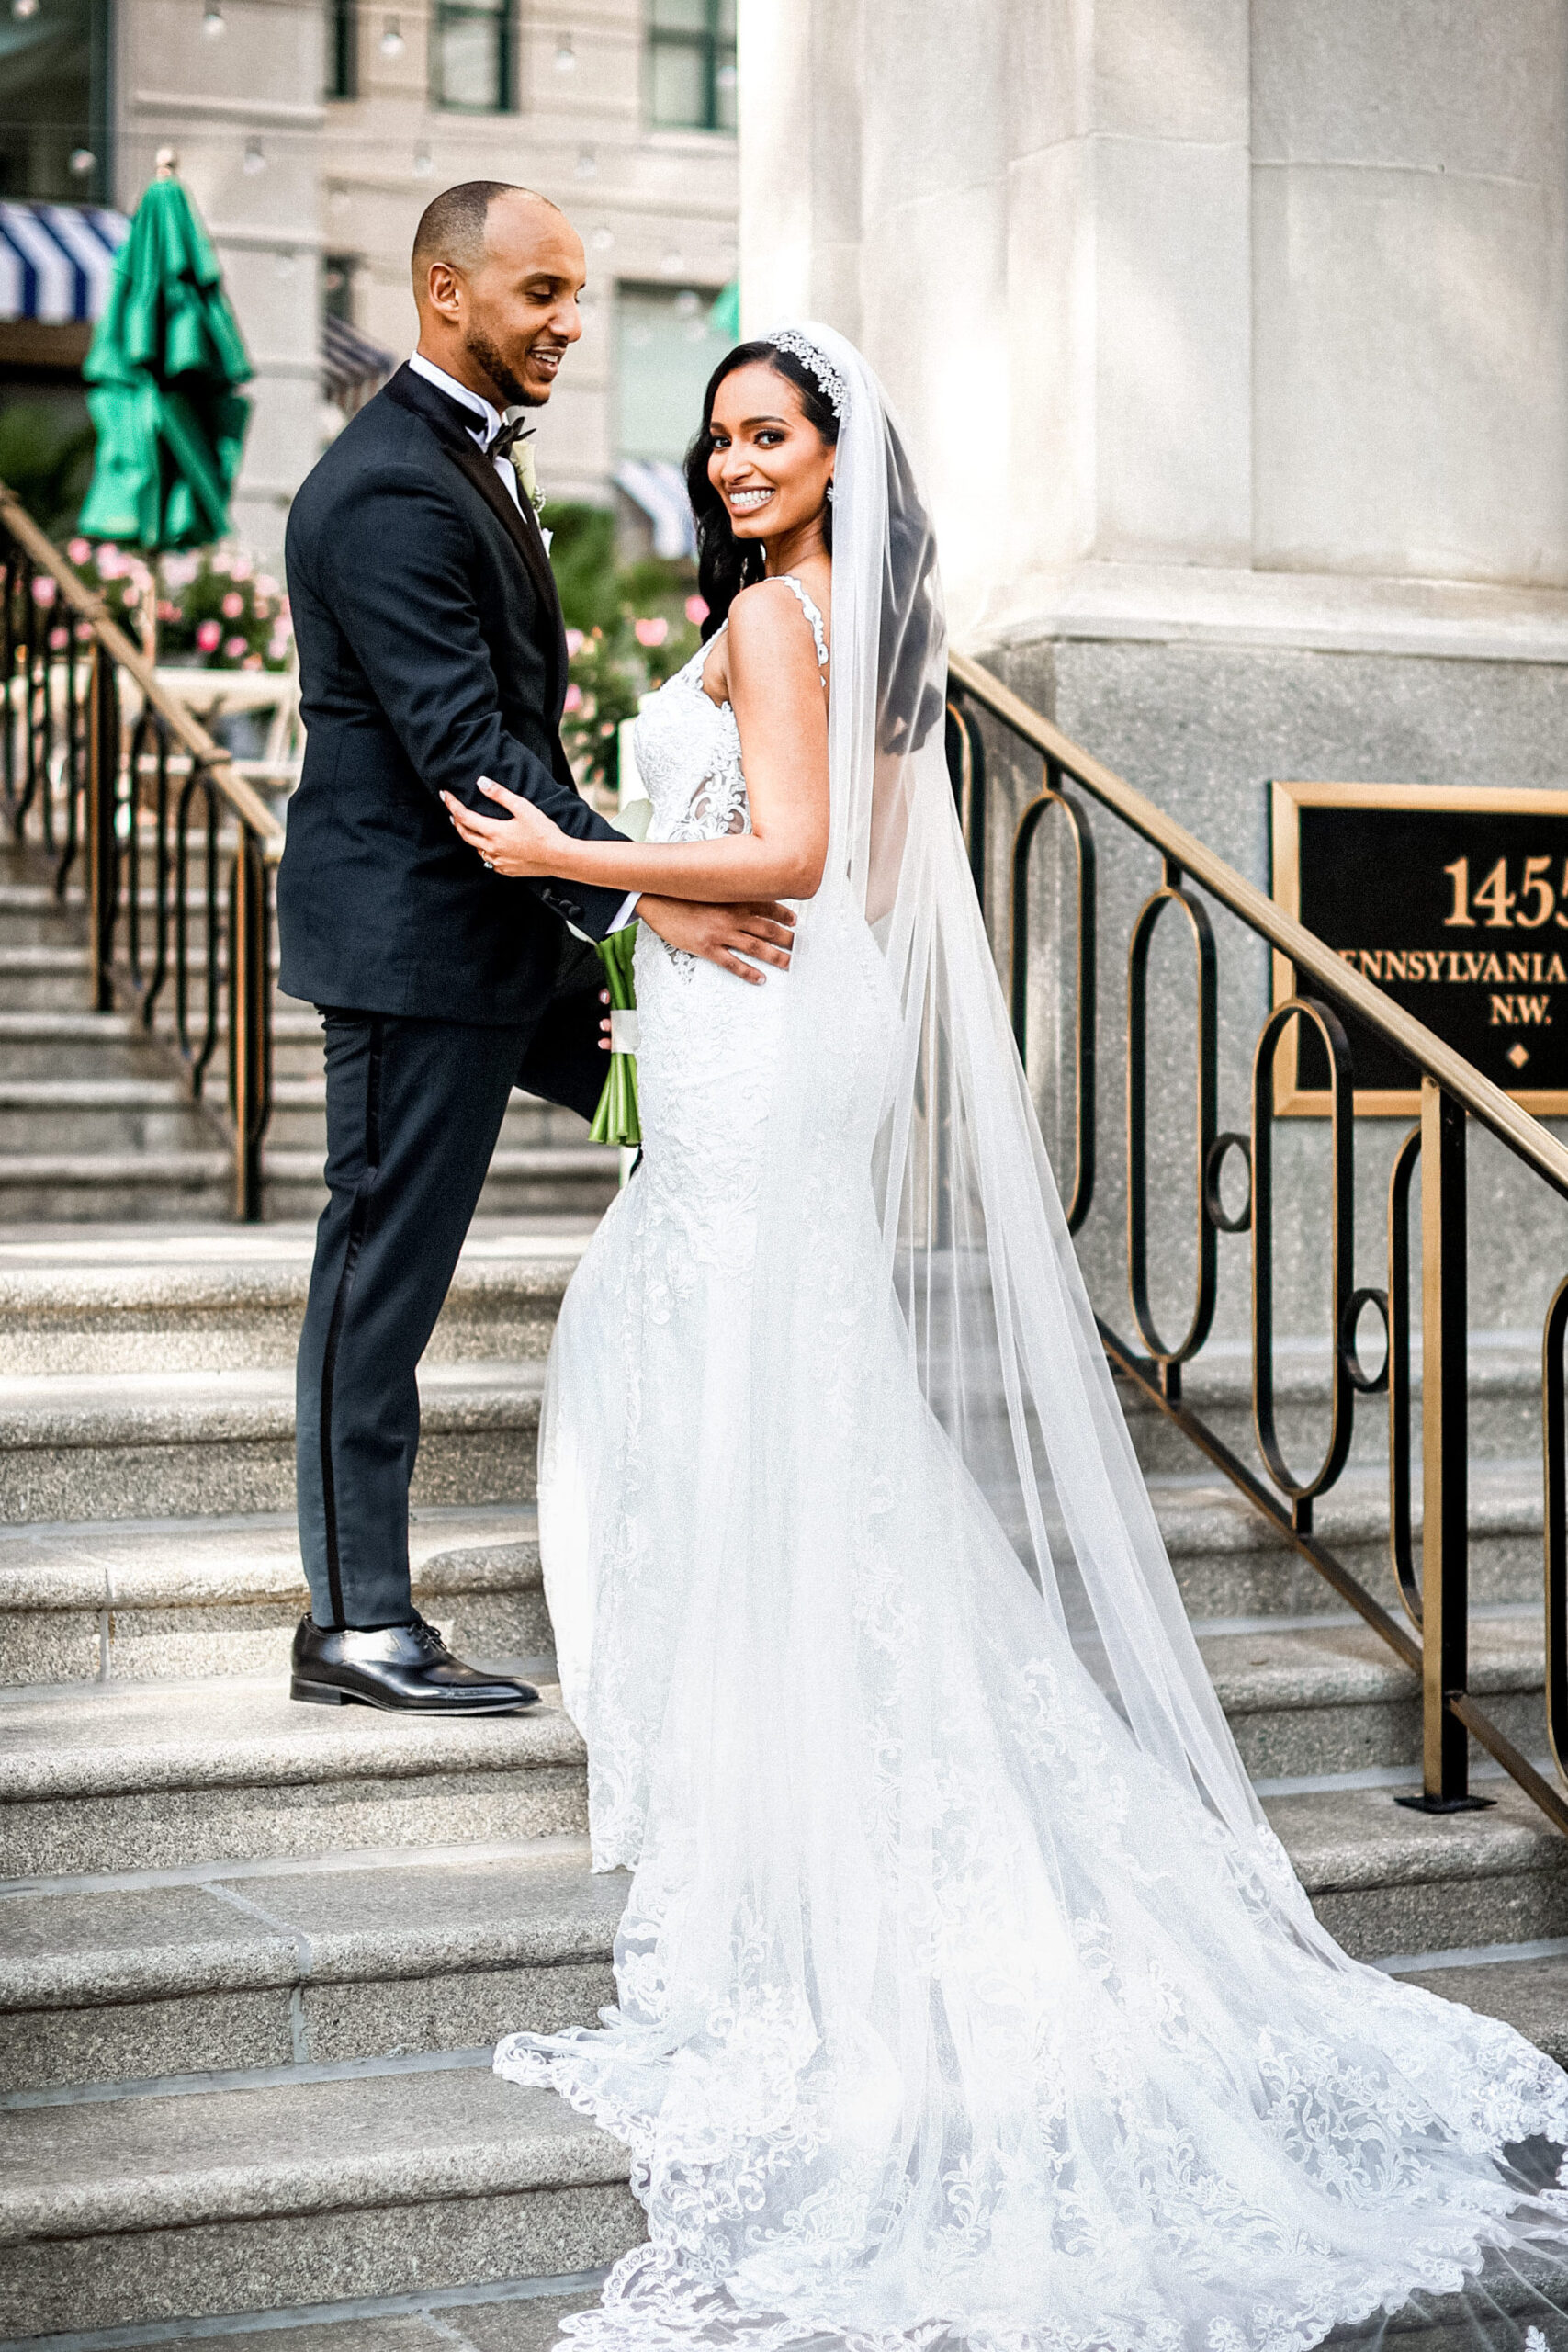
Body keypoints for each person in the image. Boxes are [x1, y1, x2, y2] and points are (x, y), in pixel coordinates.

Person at [448, 328, 1568, 2349]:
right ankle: (752, 1721)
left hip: (764, 1031)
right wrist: (687, 939)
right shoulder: (851, 626)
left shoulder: (788, 624)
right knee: (743, 1360)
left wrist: (584, 871)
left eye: (766, 434)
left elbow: (789, 863)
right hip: (782, 1024)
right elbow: (849, 876)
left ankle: (757, 1763)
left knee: (721, 1346)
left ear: (833, 456)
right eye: (715, 437)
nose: (729, 462)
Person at [277, 180, 795, 1713]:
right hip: (415, 950)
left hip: (521, 929)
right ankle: (354, 1621)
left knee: (711, 1117)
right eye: (545, 294)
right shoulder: (381, 487)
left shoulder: (469, 466)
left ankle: (718, 1507)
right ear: (447, 292)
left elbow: (513, 733)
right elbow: (465, 746)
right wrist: (652, 900)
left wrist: (633, 914)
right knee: (382, 1277)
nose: (573, 322)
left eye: (579, 293)